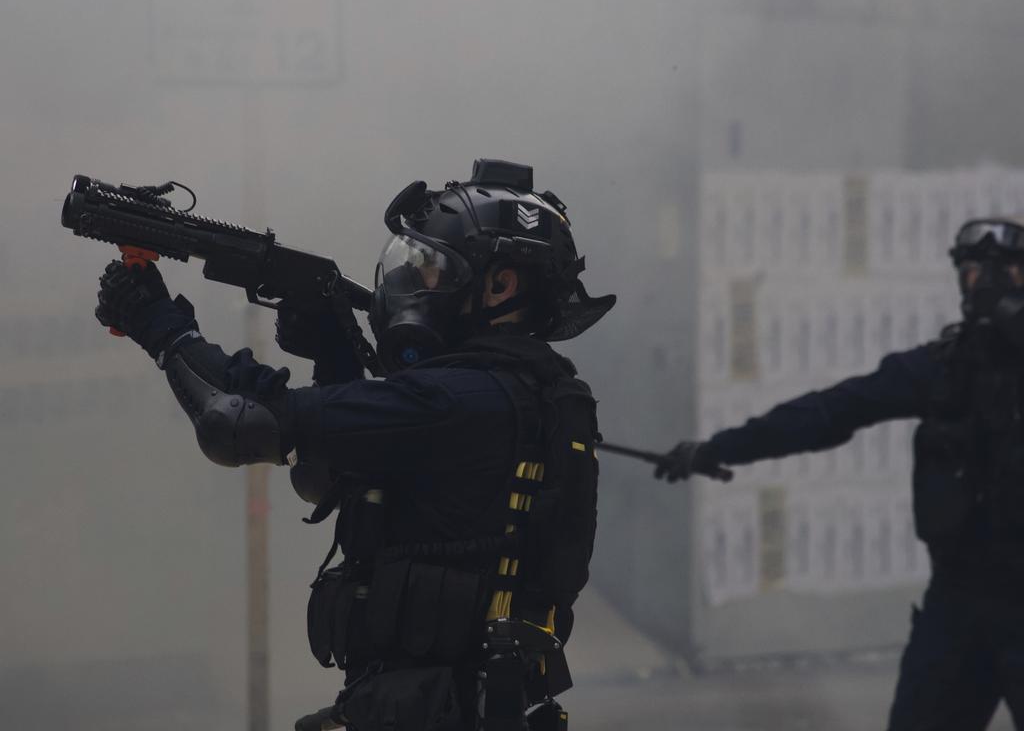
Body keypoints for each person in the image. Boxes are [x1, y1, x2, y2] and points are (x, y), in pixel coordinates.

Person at [92, 159, 615, 731]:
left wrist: (161, 324)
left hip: (429, 709)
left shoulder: (457, 398)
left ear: (501, 285)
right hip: (458, 704)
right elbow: (340, 476)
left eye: (434, 269)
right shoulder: (524, 396)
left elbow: (242, 424)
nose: (415, 284)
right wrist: (334, 355)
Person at [657, 217, 1024, 730]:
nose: (986, 285)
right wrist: (720, 448)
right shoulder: (945, 368)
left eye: (1004, 270)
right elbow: (830, 411)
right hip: (958, 604)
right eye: (973, 272)